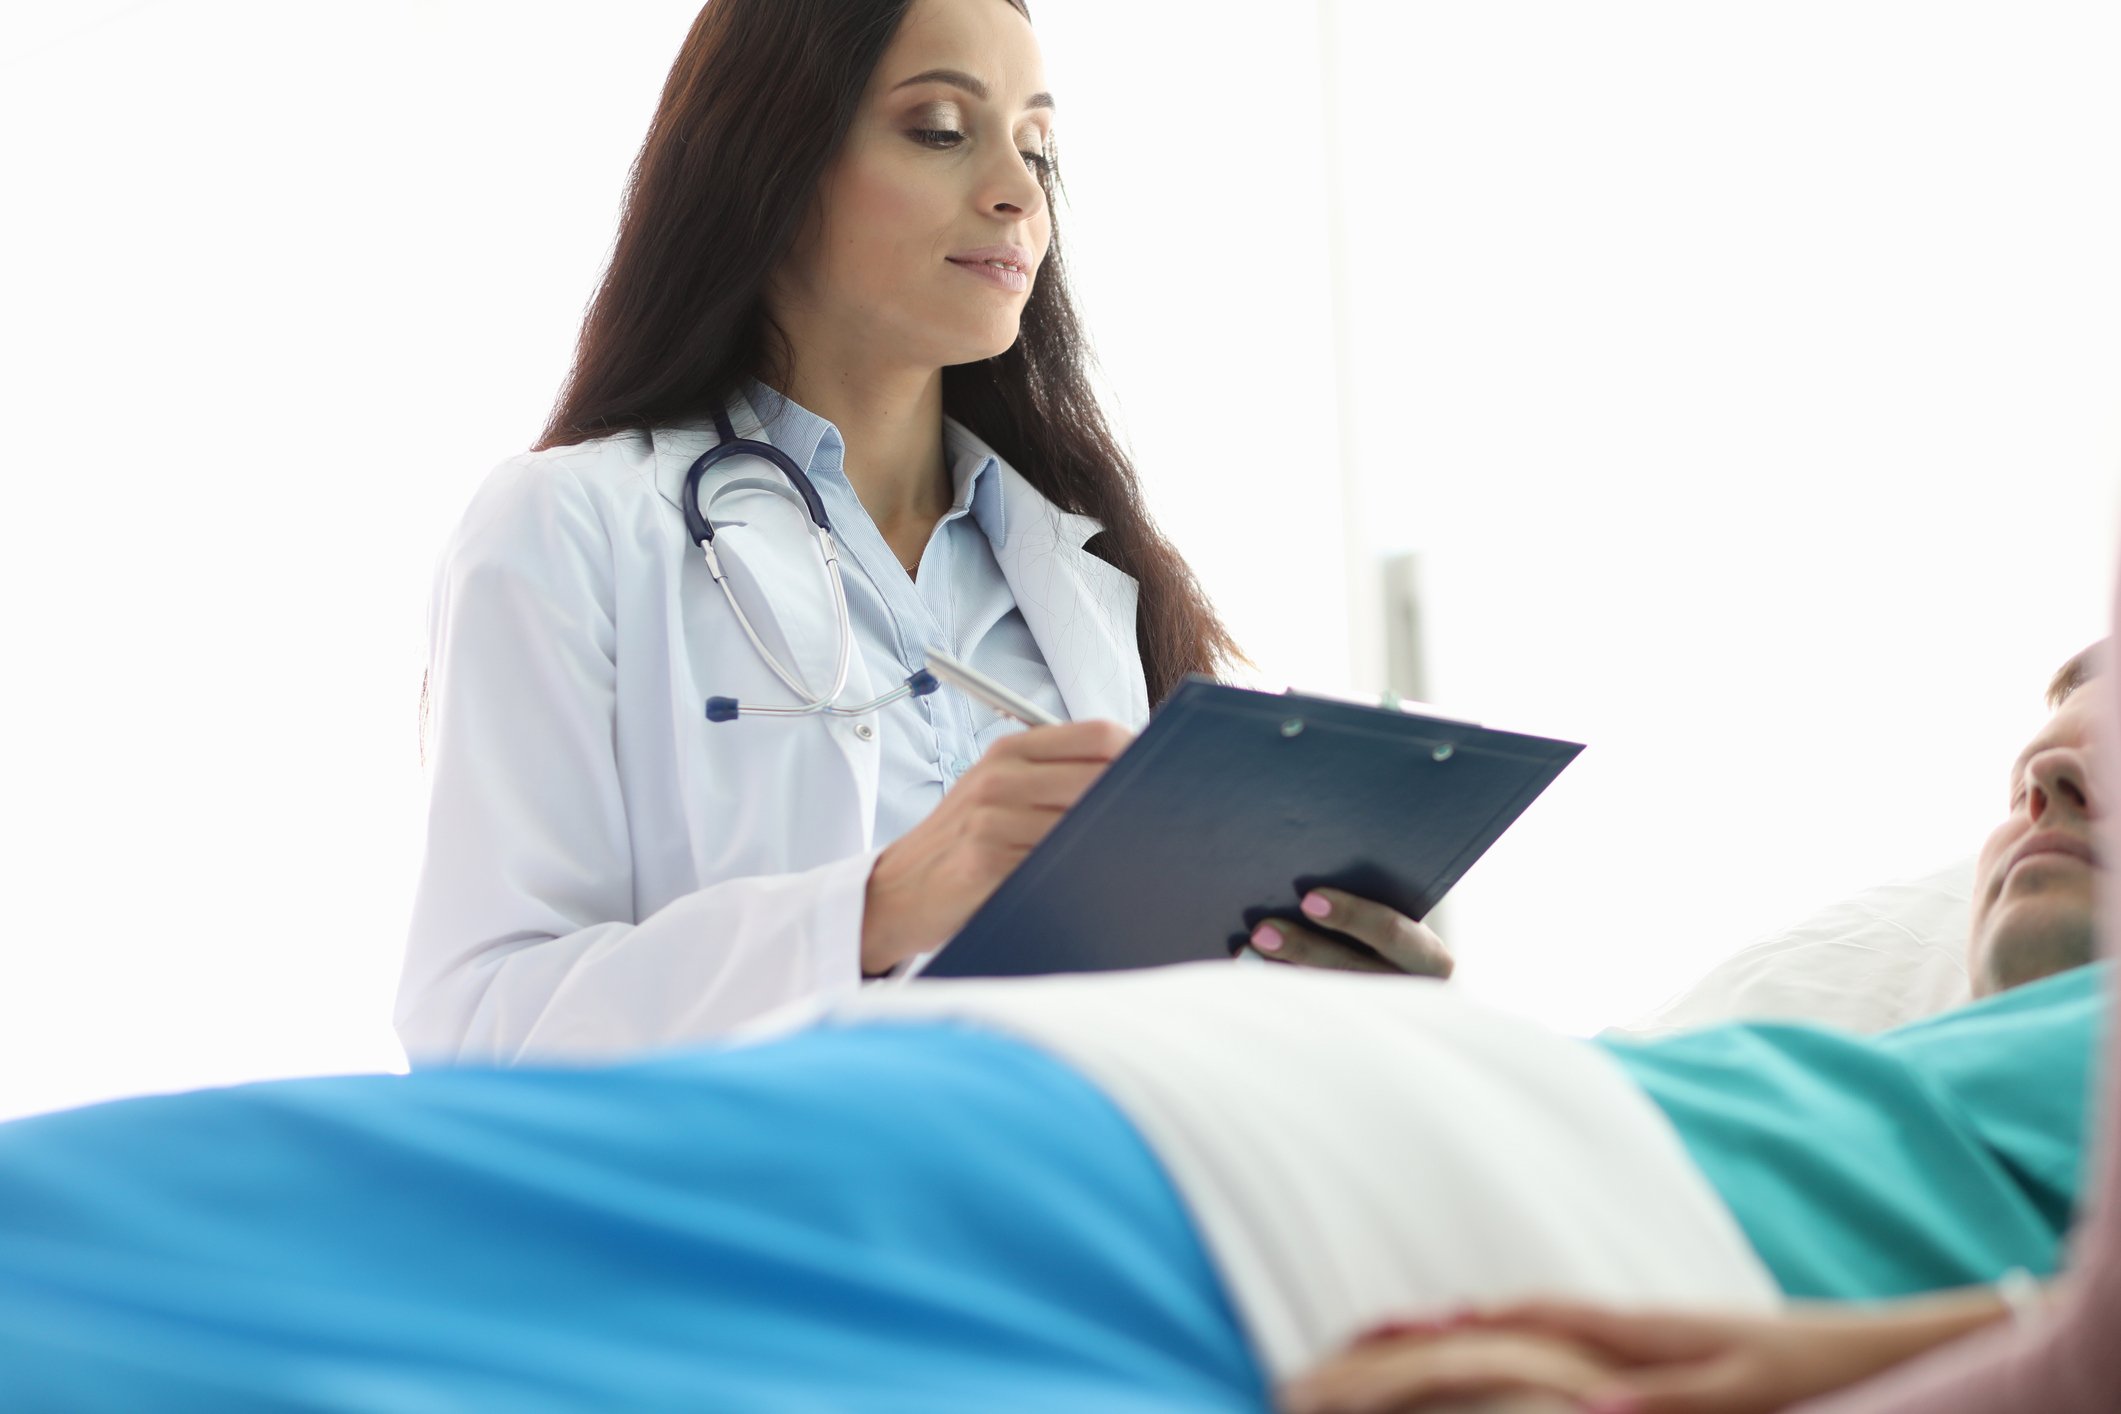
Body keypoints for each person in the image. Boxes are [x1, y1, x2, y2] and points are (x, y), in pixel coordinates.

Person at [0, 651, 2108, 1410]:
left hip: (1388, 1244)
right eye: (2057, 676)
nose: (2055, 739)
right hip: (1186, 1138)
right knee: (136, 1250)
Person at [397, 0, 1445, 1065]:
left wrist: (1298, 991)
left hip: (1051, 1210)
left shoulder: (1092, 578)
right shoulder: (571, 529)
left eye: (1037, 146)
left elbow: (1144, 1032)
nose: (1019, 191)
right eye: (941, 130)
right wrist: (872, 908)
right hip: (769, 1215)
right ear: (771, 160)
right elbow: (479, 1027)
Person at [1284, 643, 2121, 1414]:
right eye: (2022, 791)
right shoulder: (1825, 1079)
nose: (2041, 770)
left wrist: (1860, 1361)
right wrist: (1426, 1047)